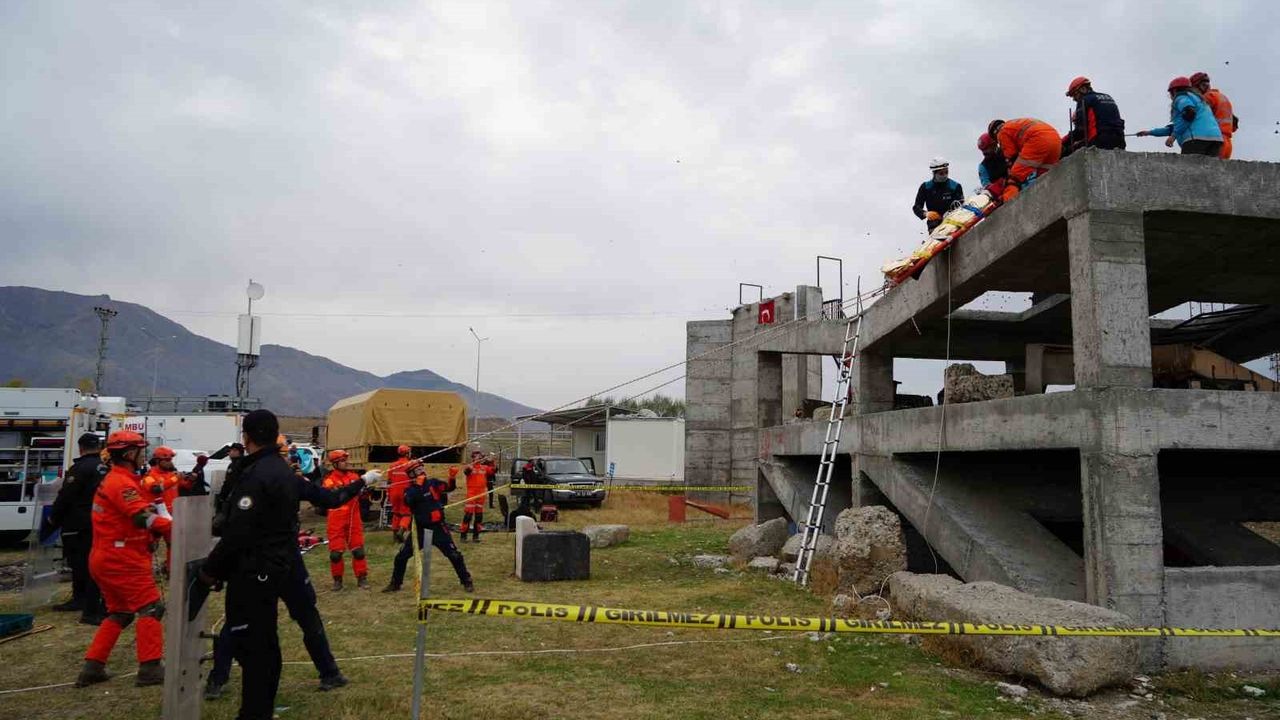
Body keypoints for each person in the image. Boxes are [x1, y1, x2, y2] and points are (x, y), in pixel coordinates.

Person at [204, 422, 368, 699]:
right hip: (277, 560)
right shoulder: (269, 476)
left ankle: (219, 680)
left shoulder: (251, 474)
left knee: (247, 620)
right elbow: (330, 498)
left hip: (262, 561)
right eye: (286, 454)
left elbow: (229, 524)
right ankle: (328, 672)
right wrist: (363, 482)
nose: (289, 460)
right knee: (294, 618)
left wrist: (362, 482)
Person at [74, 430, 171, 688]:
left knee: (120, 612)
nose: (144, 455)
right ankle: (150, 668)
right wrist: (172, 527)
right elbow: (141, 517)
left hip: (105, 557)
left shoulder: (118, 479)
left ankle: (93, 667)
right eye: (141, 451)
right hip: (122, 559)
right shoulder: (121, 483)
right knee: (151, 608)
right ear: (129, 454)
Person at [43, 432, 107, 625]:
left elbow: (67, 496)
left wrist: (54, 518)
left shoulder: (79, 468)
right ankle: (89, 599)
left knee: (79, 562)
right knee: (92, 562)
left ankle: (82, 599)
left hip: (78, 523)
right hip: (98, 522)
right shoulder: (105, 468)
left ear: (81, 448)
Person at [383, 463, 473, 593]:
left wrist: (452, 477)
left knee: (454, 555)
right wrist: (418, 487)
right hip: (420, 530)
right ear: (411, 474)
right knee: (401, 557)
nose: (422, 471)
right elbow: (409, 501)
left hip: (438, 528)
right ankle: (395, 584)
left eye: (422, 468)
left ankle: (466, 581)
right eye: (418, 470)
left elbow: (449, 488)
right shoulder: (409, 490)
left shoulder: (433, 483)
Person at [1135, 77, 1223, 156]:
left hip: (1196, 139)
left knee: (1189, 167)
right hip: (1216, 139)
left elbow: (1189, 113)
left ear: (1174, 91)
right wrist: (1149, 132)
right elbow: (1177, 126)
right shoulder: (1200, 101)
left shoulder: (1181, 97)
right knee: (1208, 168)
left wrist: (1173, 136)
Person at [323, 449, 369, 589]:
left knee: (358, 551)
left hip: (353, 518)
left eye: (346, 460)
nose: (346, 463)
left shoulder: (354, 476)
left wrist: (365, 490)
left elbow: (361, 493)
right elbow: (337, 494)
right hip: (336, 520)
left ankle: (362, 578)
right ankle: (337, 580)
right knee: (335, 554)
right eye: (343, 461)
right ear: (335, 464)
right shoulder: (329, 480)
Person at [987, 118, 1062, 202]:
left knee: (1014, 179)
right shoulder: (1014, 124)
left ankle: (1009, 202)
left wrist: (1011, 174)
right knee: (1044, 175)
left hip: (1037, 141)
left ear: (994, 133)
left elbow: (1012, 156)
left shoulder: (1001, 133)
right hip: (1055, 140)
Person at [1062, 76, 1126, 155]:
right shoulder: (1108, 97)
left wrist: (1062, 142)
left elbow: (1080, 131)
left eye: (1074, 95)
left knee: (1065, 152)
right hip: (1120, 142)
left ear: (1083, 89)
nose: (1074, 99)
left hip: (1099, 142)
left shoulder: (1084, 100)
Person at [1191, 72, 1237, 159]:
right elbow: (1234, 126)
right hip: (1227, 144)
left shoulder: (1208, 97)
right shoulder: (1221, 97)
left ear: (1199, 86)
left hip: (1216, 142)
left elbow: (1196, 116)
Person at [912, 158, 964, 231]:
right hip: (934, 224)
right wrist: (925, 213)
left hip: (953, 221)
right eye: (941, 173)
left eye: (946, 172)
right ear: (934, 173)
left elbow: (961, 205)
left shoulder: (955, 186)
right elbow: (916, 207)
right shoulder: (925, 187)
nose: (945, 175)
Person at [387, 445, 414, 543]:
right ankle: (401, 531)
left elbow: (389, 481)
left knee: (396, 513)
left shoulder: (392, 465)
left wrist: (388, 493)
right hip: (405, 493)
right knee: (407, 514)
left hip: (393, 492)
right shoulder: (411, 464)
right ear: (407, 454)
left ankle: (395, 538)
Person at [458, 462, 488, 543]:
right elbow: (466, 472)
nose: (478, 457)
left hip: (481, 494)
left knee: (479, 516)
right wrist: (469, 468)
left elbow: (493, 471)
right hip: (472, 494)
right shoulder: (470, 466)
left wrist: (492, 462)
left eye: (479, 456)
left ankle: (476, 536)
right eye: (476, 456)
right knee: (468, 515)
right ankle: (463, 536)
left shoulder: (484, 467)